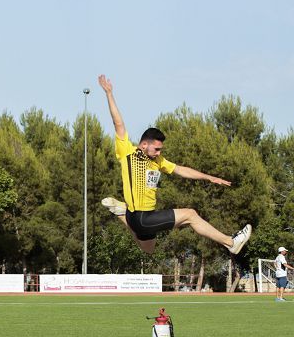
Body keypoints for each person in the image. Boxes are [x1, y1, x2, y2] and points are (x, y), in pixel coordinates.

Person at [97, 74, 252, 255]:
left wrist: (208, 177)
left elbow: (180, 169)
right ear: (144, 144)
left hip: (136, 218)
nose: (159, 153)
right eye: (156, 149)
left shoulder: (158, 161)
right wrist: (109, 93)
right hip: (143, 217)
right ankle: (230, 242)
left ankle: (121, 213)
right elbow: (118, 123)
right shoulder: (128, 152)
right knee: (191, 215)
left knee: (148, 251)